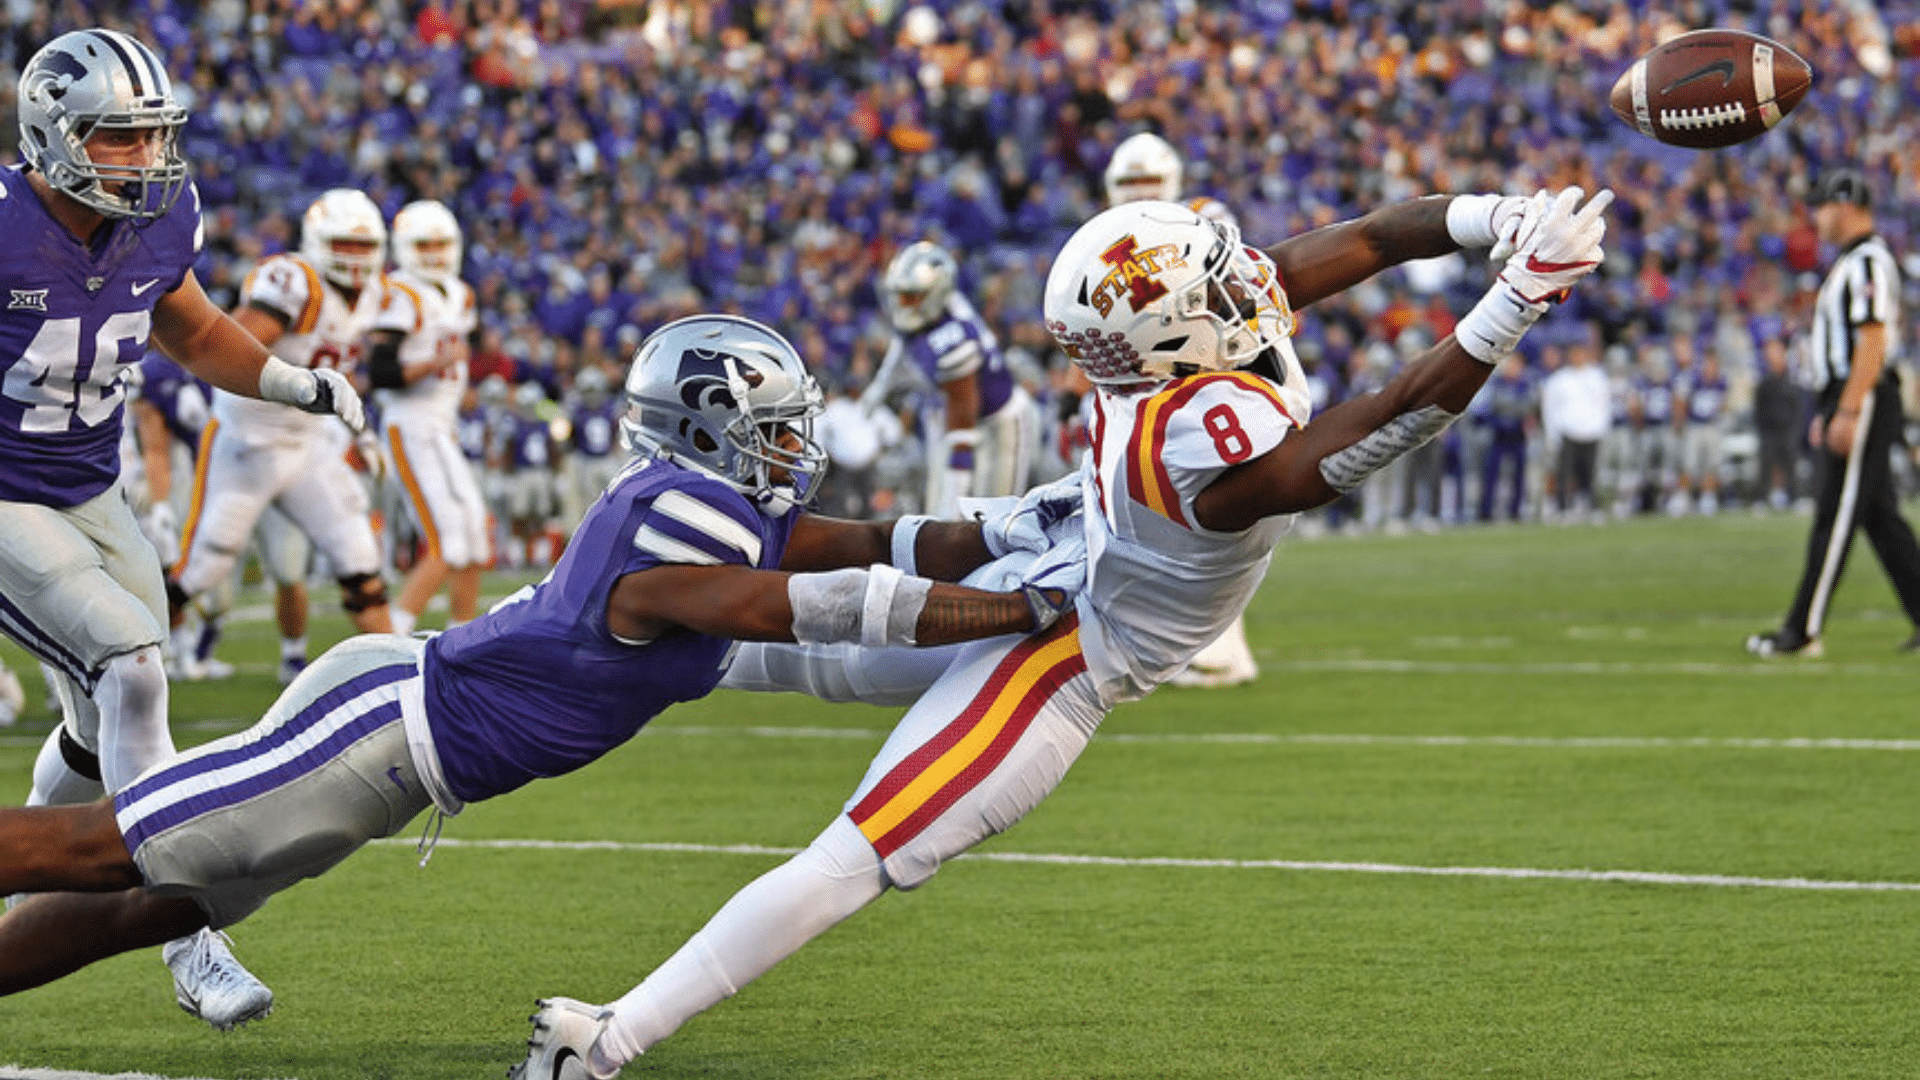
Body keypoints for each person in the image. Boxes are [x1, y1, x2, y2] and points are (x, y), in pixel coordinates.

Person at [512, 188, 1613, 1080]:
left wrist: (1492, 219)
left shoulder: (1178, 345)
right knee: (861, 851)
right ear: (1178, 327)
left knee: (751, 650)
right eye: (1219, 277)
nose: (1250, 275)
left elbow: (1376, 235)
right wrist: (1513, 302)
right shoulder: (1187, 448)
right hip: (1063, 645)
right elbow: (1380, 424)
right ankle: (603, 1045)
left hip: (1044, 550)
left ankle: (523, 639)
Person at [0, 314, 1072, 1009]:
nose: (794, 447)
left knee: (171, 902)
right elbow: (818, 606)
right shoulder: (677, 519)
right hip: (379, 732)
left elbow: (873, 542)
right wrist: (1019, 608)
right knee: (112, 850)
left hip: (402, 754)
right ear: (708, 428)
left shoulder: (716, 506)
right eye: (774, 427)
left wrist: (1012, 523)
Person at [1, 29, 366, 1030]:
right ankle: (183, 934)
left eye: (156, 136)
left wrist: (293, 381)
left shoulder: (161, 222)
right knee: (132, 667)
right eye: (120, 138)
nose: (147, 159)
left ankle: (24, 861)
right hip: (4, 495)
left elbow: (193, 326)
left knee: (94, 723)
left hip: (91, 483)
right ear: (54, 136)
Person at [168, 187, 396, 684]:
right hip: (248, 438)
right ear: (316, 241)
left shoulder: (377, 293)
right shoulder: (297, 282)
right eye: (344, 245)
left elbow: (340, 367)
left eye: (362, 247)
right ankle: (114, 661)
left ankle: (398, 678)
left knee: (359, 556)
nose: (354, 258)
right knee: (203, 567)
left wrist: (363, 432)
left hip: (310, 442)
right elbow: (232, 342)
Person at [1102, 129, 1260, 687]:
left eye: (1149, 180)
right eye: (1131, 182)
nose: (1141, 192)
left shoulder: (1200, 219)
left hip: (1206, 379)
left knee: (1206, 515)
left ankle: (1216, 650)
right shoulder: (1109, 236)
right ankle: (1201, 647)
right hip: (1153, 388)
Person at [1746, 169, 1920, 657]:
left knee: (1834, 514)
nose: (1816, 217)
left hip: (1860, 394)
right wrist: (1833, 407)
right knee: (1880, 516)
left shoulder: (1867, 261)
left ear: (1845, 205)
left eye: (1821, 206)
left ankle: (1802, 630)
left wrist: (1847, 407)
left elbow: (1872, 338)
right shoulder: (1852, 263)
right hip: (1850, 394)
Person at [367, 199, 488, 636]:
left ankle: (464, 636)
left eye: (442, 244)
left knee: (475, 536)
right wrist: (433, 367)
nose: (435, 254)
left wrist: (457, 383)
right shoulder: (399, 292)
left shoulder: (460, 292)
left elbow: (457, 352)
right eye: (425, 244)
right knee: (446, 542)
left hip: (442, 424)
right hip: (408, 422)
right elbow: (380, 373)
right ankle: (391, 639)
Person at [863, 240, 1040, 517]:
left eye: (911, 296)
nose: (902, 304)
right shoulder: (930, 313)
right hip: (951, 413)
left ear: (935, 294)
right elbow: (899, 349)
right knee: (938, 516)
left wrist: (959, 472)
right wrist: (876, 390)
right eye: (900, 295)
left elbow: (963, 409)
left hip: (997, 420)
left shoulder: (954, 338)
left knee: (994, 517)